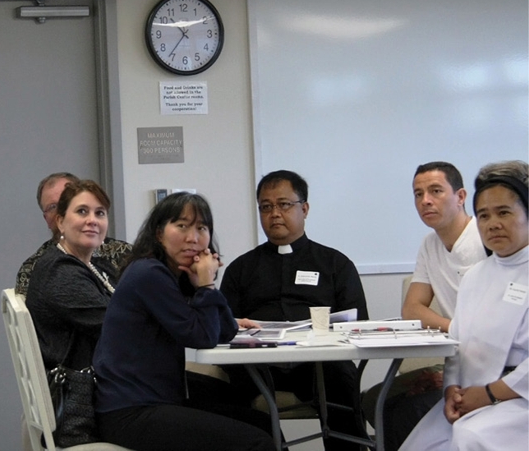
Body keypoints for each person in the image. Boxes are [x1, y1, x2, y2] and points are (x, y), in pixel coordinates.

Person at [93, 192, 273, 451]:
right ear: (158, 233)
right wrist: (206, 285)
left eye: (202, 228)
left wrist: (204, 285)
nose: (193, 238)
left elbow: (225, 330)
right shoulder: (149, 273)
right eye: (182, 226)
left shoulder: (173, 275)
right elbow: (202, 337)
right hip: (129, 411)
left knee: (263, 423)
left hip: (154, 401)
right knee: (258, 443)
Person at [220, 170, 369, 451]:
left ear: (305, 208)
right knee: (227, 387)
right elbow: (224, 325)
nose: (275, 214)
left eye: (284, 204)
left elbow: (357, 323)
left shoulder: (335, 264)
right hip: (258, 364)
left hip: (317, 365)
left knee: (341, 377)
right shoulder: (241, 268)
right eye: (266, 207)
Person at [400, 160, 528, 451]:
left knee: (470, 438)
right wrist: (450, 390)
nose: (492, 223)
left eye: (504, 212)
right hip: (474, 395)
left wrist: (489, 394)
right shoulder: (475, 277)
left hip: (519, 397)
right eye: (483, 215)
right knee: (419, 444)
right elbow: (460, 342)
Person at [362, 161, 489, 449]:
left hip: (490, 364)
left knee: (404, 411)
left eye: (435, 191)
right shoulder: (430, 244)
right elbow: (412, 309)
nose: (425, 201)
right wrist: (457, 329)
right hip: (459, 357)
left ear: (460, 196)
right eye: (418, 194)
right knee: (375, 400)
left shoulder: (486, 239)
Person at [25, 179, 117, 373]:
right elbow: (118, 325)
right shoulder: (59, 272)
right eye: (82, 211)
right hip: (86, 387)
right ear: (60, 222)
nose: (92, 220)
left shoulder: (97, 265)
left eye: (100, 213)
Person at [15, 172, 131, 295]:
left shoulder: (123, 253)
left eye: (67, 201)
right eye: (53, 206)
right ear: (49, 219)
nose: (61, 210)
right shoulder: (34, 268)